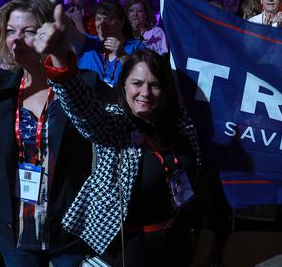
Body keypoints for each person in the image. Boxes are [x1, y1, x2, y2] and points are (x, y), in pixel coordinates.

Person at [34, 22, 202, 264]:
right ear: (123, 84)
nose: (145, 92)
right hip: (126, 249)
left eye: (154, 85)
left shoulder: (180, 123)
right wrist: (61, 60)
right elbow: (85, 111)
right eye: (137, 83)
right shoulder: (115, 123)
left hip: (176, 244)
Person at [0, 0, 95, 266]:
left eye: (28, 31)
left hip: (68, 226)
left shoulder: (81, 85)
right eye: (11, 31)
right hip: (14, 225)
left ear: (50, 34)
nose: (16, 38)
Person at [77, 1, 146, 86]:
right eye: (98, 19)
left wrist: (122, 55)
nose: (102, 24)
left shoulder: (136, 47)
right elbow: (64, 27)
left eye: (108, 19)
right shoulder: (88, 43)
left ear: (121, 21)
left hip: (120, 98)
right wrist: (55, 6)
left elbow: (143, 78)